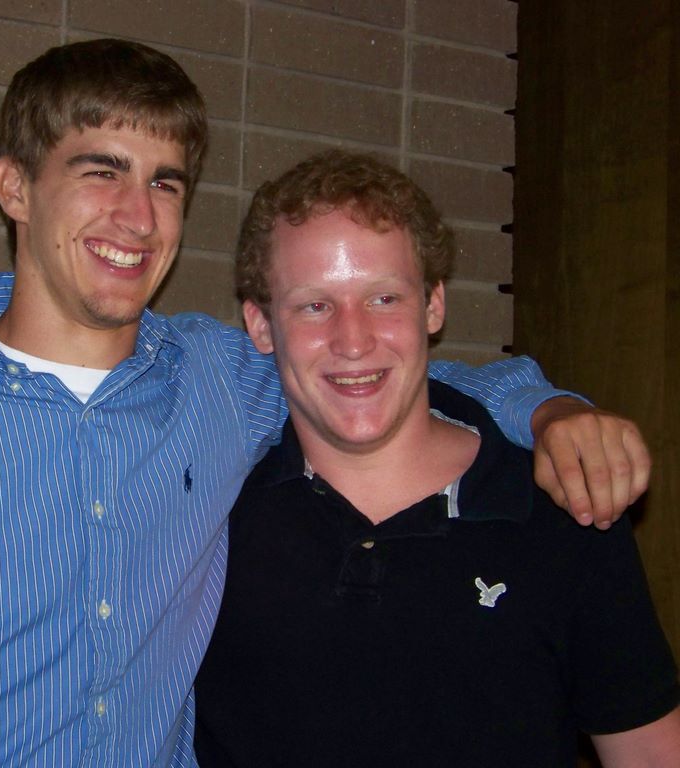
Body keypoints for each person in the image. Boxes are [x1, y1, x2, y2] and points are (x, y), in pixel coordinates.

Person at [0, 39, 649, 766]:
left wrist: (549, 407)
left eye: (164, 182)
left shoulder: (218, 378)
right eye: (101, 170)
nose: (138, 216)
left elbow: (379, 368)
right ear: (15, 187)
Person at [192, 149, 680, 766]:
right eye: (315, 305)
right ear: (261, 326)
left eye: (384, 299)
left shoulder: (563, 505)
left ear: (433, 306)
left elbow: (649, 753)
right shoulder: (210, 515)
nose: (353, 340)